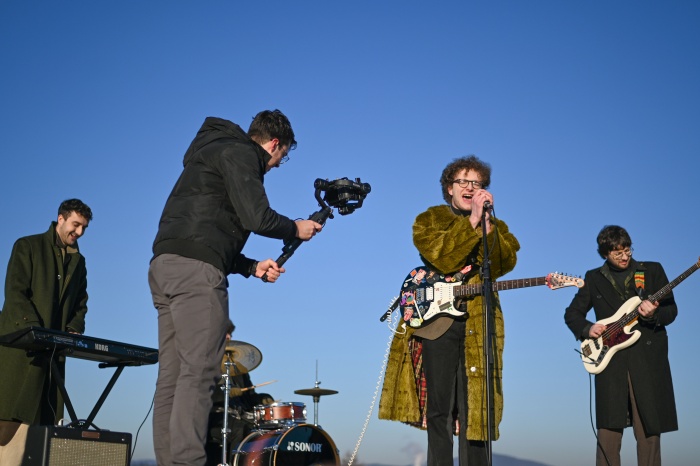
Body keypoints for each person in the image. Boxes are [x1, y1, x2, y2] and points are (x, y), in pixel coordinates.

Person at [149, 109, 322, 466]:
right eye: (282, 157)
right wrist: (296, 228)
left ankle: (169, 460)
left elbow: (206, 230)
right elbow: (256, 217)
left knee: (173, 374)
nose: (277, 165)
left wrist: (250, 267)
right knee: (199, 373)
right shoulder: (243, 153)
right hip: (197, 274)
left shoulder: (212, 151)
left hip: (165, 266)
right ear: (275, 144)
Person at [379, 155, 520, 466]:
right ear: (449, 188)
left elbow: (502, 264)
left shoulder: (494, 225)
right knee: (439, 410)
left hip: (481, 324)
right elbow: (441, 257)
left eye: (477, 183)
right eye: (463, 182)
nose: (470, 188)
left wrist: (486, 226)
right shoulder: (429, 220)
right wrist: (470, 222)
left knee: (478, 409)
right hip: (437, 325)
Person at [564, 225, 678, 466]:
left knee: (648, 432)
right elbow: (572, 314)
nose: (625, 256)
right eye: (618, 253)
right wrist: (588, 329)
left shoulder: (652, 270)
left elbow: (671, 310)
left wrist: (652, 314)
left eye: (627, 250)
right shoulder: (593, 278)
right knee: (608, 434)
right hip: (609, 360)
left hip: (647, 360)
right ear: (605, 253)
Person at [0, 199, 93, 465]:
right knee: (9, 424)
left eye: (84, 228)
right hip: (18, 350)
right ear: (60, 219)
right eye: (76, 225)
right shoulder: (27, 246)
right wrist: (34, 329)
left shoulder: (80, 263)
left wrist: (73, 329)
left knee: (42, 426)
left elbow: (80, 304)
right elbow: (15, 292)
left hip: (52, 356)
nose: (79, 233)